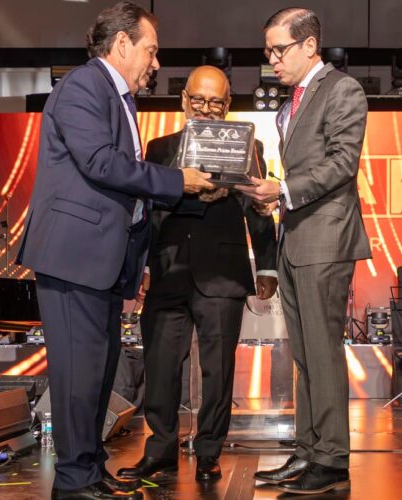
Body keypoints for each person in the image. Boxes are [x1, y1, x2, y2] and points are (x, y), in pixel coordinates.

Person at [16, 3, 213, 499]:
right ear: (122, 43)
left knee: (98, 373)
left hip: (100, 262)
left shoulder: (116, 96)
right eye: (151, 50)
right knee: (77, 374)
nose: (156, 63)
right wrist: (178, 181)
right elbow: (101, 163)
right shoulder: (84, 87)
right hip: (73, 258)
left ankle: (88, 468)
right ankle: (72, 480)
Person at [117, 65, 278, 482]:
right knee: (160, 366)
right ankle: (160, 451)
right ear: (185, 100)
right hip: (167, 270)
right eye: (199, 100)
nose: (206, 109)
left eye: (216, 102)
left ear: (228, 105)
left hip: (222, 272)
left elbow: (259, 210)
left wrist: (268, 264)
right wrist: (141, 265)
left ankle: (209, 451)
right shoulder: (159, 148)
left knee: (218, 370)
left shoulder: (249, 146)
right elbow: (146, 213)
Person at [236, 8, 371, 495]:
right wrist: (271, 193)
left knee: (322, 352)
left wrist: (284, 190)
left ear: (310, 45)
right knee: (306, 357)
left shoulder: (343, 90)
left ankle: (331, 461)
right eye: (268, 51)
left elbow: (342, 163)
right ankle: (310, 450)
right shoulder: (292, 100)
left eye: (279, 49)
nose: (272, 59)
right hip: (296, 239)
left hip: (325, 240)